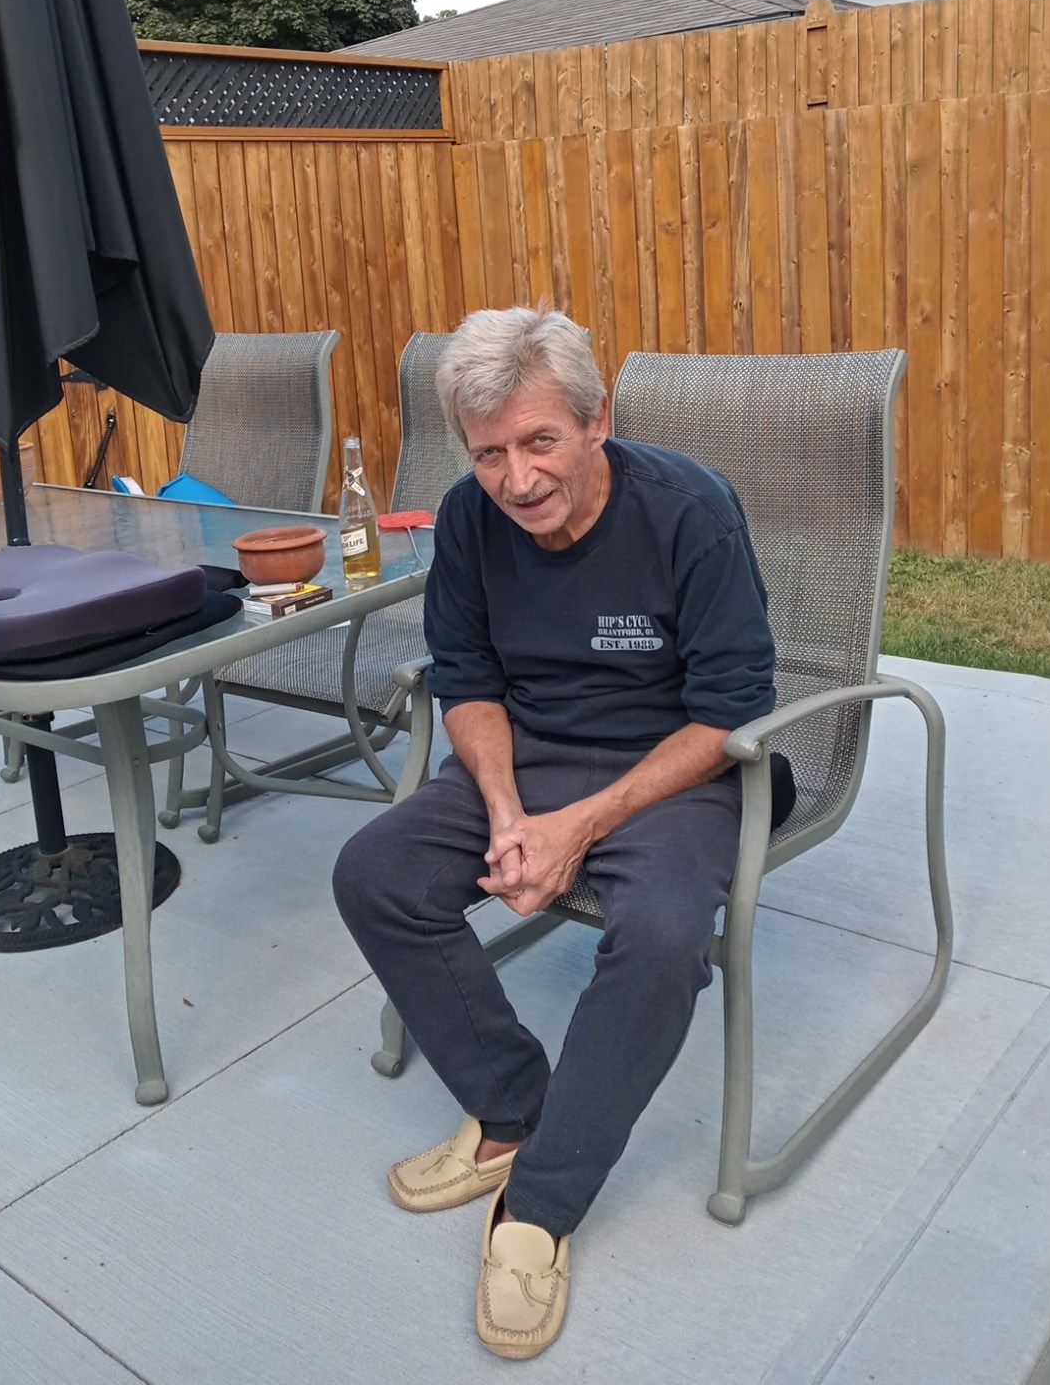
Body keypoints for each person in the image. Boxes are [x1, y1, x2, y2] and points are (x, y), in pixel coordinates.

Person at [332, 306, 791, 1360]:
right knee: (376, 873)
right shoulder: (467, 519)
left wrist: (576, 829)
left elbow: (729, 713)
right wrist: (507, 815)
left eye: (540, 441)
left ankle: (539, 1204)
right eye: (489, 453)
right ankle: (510, 1110)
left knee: (662, 937)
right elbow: (467, 678)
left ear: (597, 421)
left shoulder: (690, 512)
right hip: (527, 755)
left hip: (678, 771)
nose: (517, 478)